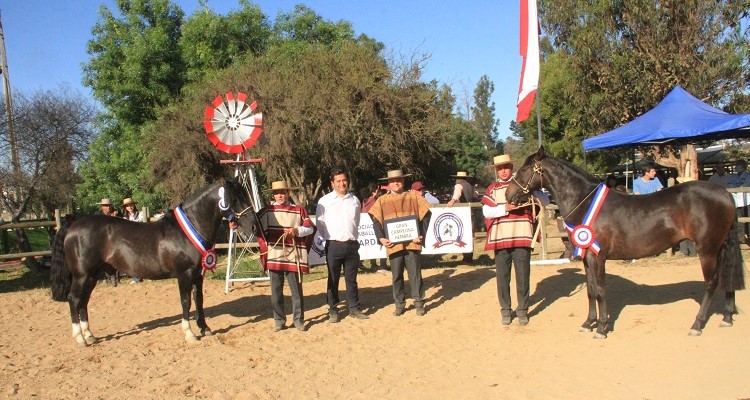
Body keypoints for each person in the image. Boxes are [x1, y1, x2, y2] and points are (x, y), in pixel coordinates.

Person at [368, 169, 432, 316]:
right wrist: (381, 238)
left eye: (398, 180)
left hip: (412, 243)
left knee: (415, 273)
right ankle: (399, 303)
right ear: (388, 183)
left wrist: (420, 234)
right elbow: (376, 221)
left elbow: (427, 214)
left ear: (403, 181)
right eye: (392, 180)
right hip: (393, 244)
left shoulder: (413, 197)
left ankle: (419, 302)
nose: (395, 182)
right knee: (396, 275)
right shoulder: (382, 200)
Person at [482, 154, 536, 326]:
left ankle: (522, 310)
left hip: (521, 235)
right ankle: (505, 310)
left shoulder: (524, 184)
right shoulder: (492, 188)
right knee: (502, 277)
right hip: (501, 238)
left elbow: (543, 199)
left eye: (506, 167)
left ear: (511, 167)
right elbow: (486, 211)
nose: (503, 171)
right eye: (500, 168)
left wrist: (534, 193)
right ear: (496, 170)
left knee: (523, 275)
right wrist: (505, 208)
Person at [255, 180, 315, 332]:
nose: (280, 195)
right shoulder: (267, 211)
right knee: (276, 290)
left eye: (282, 192)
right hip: (274, 255)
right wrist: (236, 225)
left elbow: (309, 229)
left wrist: (297, 231)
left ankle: (298, 320)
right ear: (273, 195)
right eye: (276, 193)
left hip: (293, 256)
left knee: (296, 290)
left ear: (288, 192)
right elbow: (252, 225)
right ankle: (279, 320)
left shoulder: (299, 210)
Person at [316, 168, 369, 323]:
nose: (342, 183)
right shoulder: (324, 201)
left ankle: (354, 308)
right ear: (332, 183)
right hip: (334, 245)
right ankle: (333, 309)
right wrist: (331, 238)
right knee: (333, 279)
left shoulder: (355, 200)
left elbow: (356, 221)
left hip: (352, 245)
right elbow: (320, 224)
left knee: (351, 279)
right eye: (338, 181)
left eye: (344, 180)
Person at [447, 171, 482, 263]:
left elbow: (456, 195)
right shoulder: (470, 186)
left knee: (463, 235)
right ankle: (469, 257)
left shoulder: (458, 185)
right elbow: (476, 196)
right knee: (469, 235)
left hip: (463, 213)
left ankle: (466, 257)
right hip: (471, 213)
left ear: (458, 178)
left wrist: (452, 201)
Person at [361, 183, 388, 273]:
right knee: (381, 243)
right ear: (374, 191)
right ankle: (383, 266)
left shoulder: (365, 201)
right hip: (375, 225)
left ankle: (373, 264)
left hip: (367, 227)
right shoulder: (374, 202)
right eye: (377, 189)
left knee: (372, 245)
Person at [94, 198, 120, 286]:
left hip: (114, 238)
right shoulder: (97, 215)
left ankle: (115, 277)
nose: (107, 208)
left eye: (109, 206)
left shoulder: (117, 213)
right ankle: (106, 277)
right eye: (105, 206)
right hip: (100, 239)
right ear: (102, 207)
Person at [121, 198, 146, 283]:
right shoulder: (124, 218)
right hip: (130, 241)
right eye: (127, 206)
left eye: (131, 205)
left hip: (142, 239)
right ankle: (136, 277)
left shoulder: (141, 214)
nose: (130, 207)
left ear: (134, 205)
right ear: (125, 208)